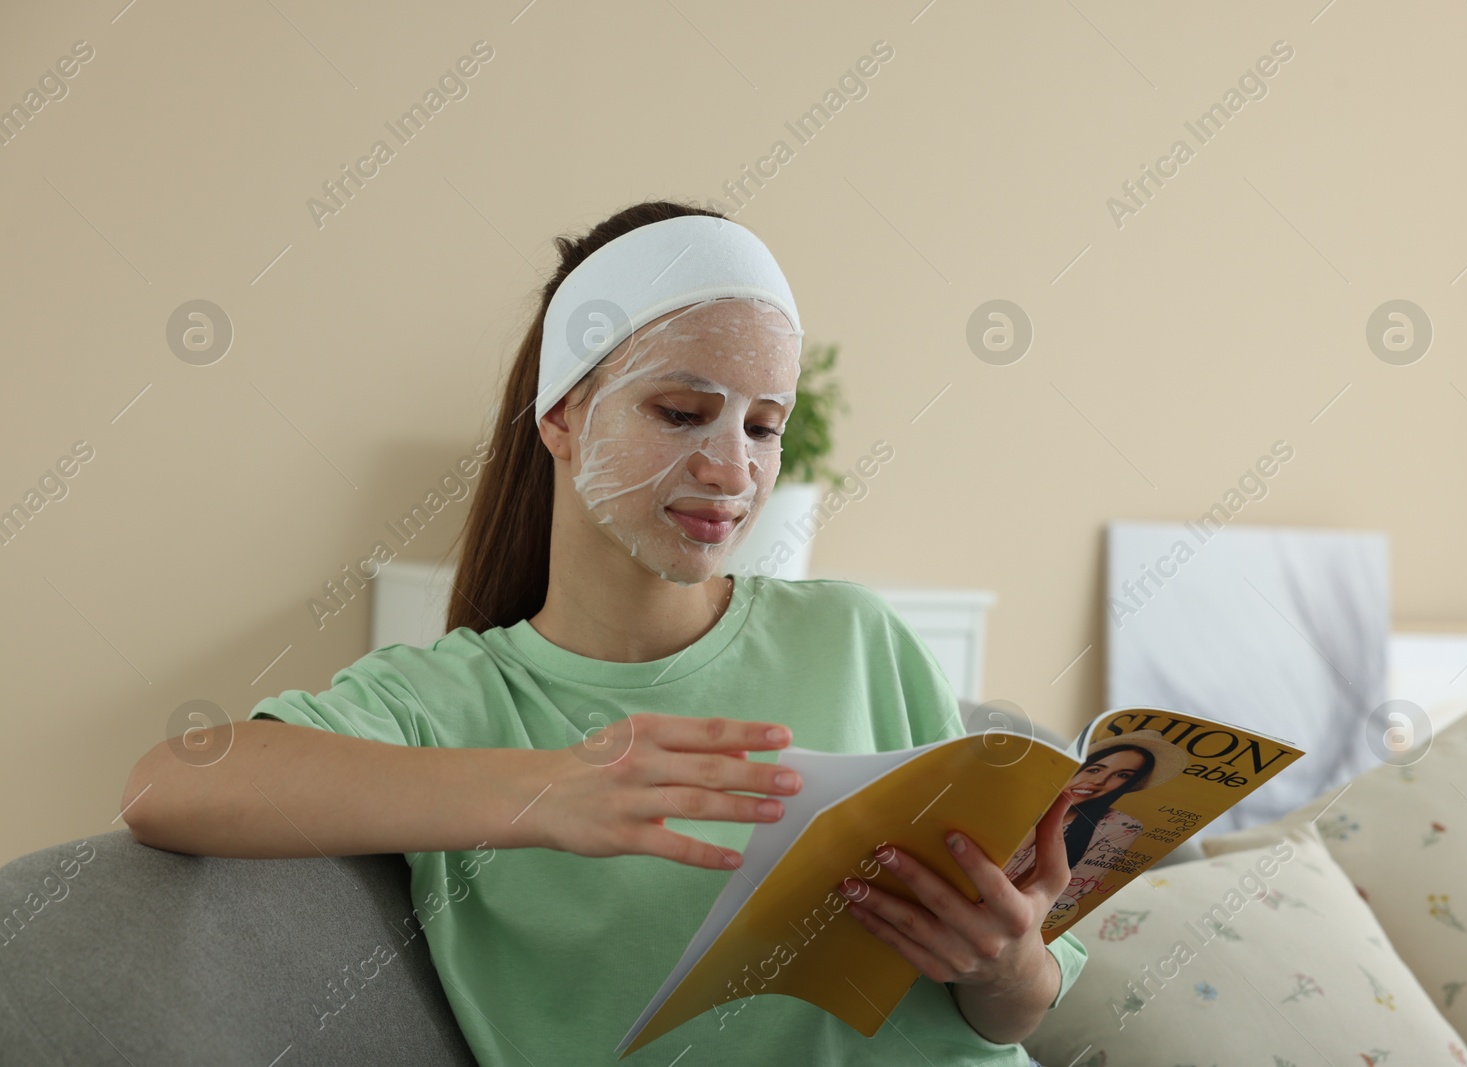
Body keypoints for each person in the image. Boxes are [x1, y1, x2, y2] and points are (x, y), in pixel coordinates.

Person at [122, 201, 1088, 1066]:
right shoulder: (449, 700)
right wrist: (546, 790)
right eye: (682, 411)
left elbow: (1011, 1015)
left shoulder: (856, 635)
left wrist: (1006, 963)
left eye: (764, 426)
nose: (732, 471)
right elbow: (173, 784)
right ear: (563, 414)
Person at [1001, 730, 1186, 924]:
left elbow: (1066, 901)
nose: (1099, 781)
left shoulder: (1120, 826)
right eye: (1095, 769)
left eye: (1121, 775)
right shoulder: (1017, 795)